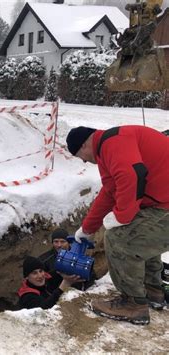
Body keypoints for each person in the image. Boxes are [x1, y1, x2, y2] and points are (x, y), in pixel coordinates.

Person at [66, 125, 169, 325]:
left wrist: (122, 217)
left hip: (164, 205)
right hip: (161, 202)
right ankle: (152, 290)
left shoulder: (113, 143)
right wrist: (87, 229)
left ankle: (133, 304)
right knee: (139, 232)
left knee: (118, 238)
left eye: (81, 156)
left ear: (85, 144)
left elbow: (133, 175)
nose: (85, 161)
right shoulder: (109, 146)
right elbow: (109, 192)